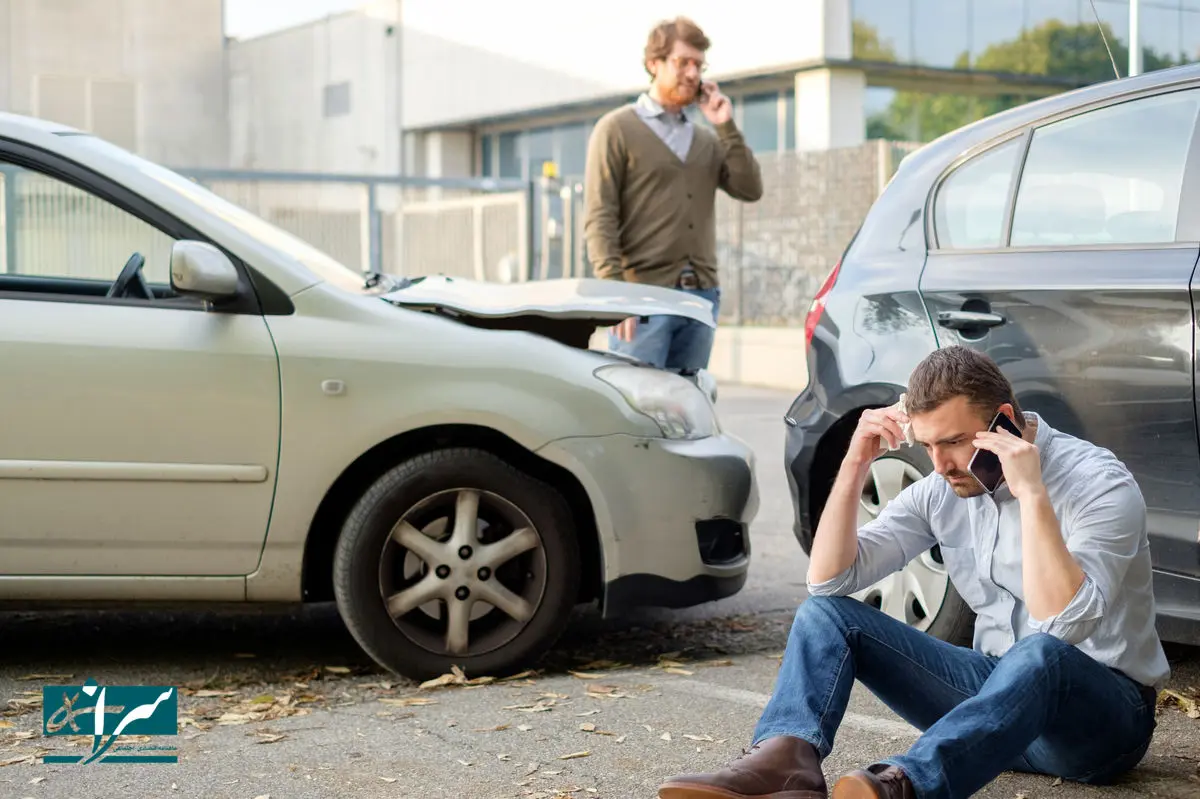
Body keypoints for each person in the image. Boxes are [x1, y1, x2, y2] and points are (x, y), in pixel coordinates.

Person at [659, 346, 1169, 799]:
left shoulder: (1098, 483)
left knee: (1042, 651)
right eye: (926, 446)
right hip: (993, 706)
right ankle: (787, 762)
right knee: (826, 615)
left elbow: (1062, 624)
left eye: (953, 442)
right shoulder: (942, 488)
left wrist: (1031, 494)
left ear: (1005, 423)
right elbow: (830, 580)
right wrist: (856, 460)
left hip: (1097, 725)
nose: (940, 464)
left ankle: (908, 784)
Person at [583, 16, 762, 373]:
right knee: (636, 409)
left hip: (701, 297)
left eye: (698, 65)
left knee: (686, 411)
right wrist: (616, 294)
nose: (693, 73)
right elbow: (599, 216)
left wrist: (724, 124)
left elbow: (749, 188)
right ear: (655, 63)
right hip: (642, 297)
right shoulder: (616, 129)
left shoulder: (707, 139)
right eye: (683, 62)